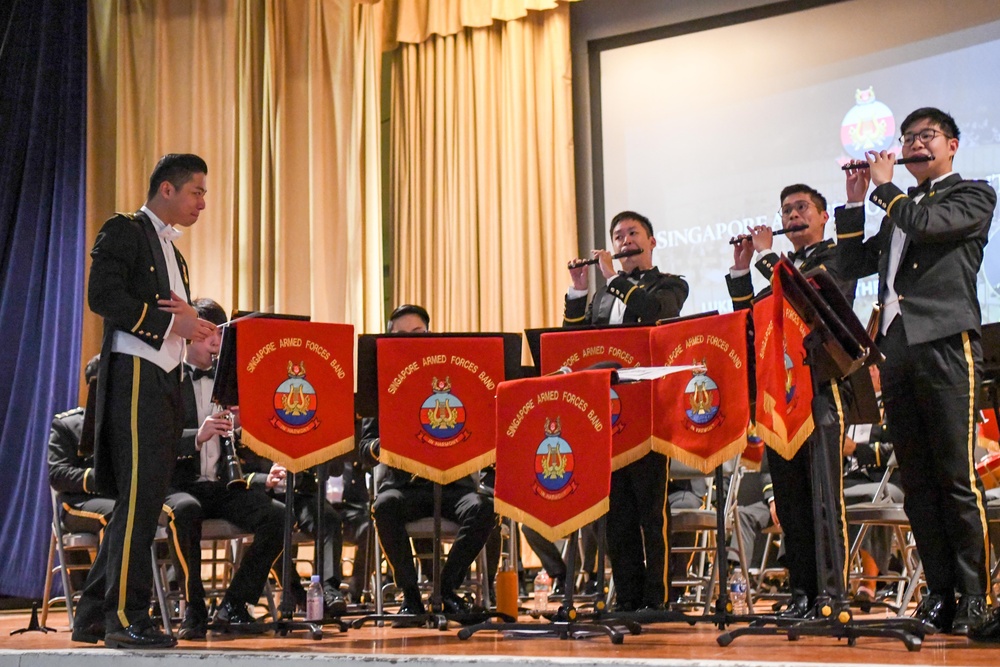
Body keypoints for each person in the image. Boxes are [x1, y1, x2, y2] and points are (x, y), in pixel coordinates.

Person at [836, 107, 994, 636]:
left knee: (955, 477)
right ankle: (940, 595)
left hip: (946, 344)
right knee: (918, 483)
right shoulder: (895, 212)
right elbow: (848, 265)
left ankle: (976, 596)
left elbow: (928, 224)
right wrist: (857, 202)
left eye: (926, 135)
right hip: (896, 350)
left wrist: (884, 191)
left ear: (951, 144)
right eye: (907, 137)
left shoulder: (972, 194)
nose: (914, 144)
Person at [72, 153, 216, 648]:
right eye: (196, 191)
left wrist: (191, 325)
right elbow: (102, 296)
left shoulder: (175, 254)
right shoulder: (125, 230)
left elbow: (173, 319)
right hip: (135, 376)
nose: (202, 202)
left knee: (144, 499)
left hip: (163, 380)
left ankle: (92, 614)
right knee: (139, 500)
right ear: (167, 190)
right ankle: (125, 617)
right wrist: (170, 324)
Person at [727, 184, 857, 617]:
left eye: (802, 208)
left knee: (823, 496)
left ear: (823, 217)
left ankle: (831, 593)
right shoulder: (780, 267)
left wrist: (766, 258)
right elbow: (754, 320)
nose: (792, 215)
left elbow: (808, 299)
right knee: (791, 497)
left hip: (820, 386)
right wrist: (744, 271)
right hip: (780, 393)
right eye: (786, 210)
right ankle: (801, 592)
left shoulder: (836, 257)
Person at [565, 211, 688, 611]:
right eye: (618, 236)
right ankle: (628, 598)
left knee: (652, 513)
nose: (625, 242)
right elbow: (575, 345)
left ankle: (659, 598)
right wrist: (580, 292)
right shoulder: (604, 296)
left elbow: (654, 314)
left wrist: (614, 280)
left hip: (651, 413)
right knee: (615, 516)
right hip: (610, 417)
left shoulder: (671, 284)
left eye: (633, 233)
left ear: (652, 242)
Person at [358, 305, 497, 618]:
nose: (409, 341)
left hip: (453, 484)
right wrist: (388, 444)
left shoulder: (458, 376)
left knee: (484, 507)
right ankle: (410, 596)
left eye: (417, 334)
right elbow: (365, 449)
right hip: (404, 487)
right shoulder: (384, 383)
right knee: (384, 506)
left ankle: (446, 589)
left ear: (431, 335)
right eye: (400, 335)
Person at [163, 298, 286, 639]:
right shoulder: (167, 376)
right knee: (186, 511)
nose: (215, 342)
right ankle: (194, 606)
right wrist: (197, 437)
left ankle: (234, 602)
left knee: (277, 517)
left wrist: (245, 423)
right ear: (188, 336)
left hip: (217, 484)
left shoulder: (230, 380)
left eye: (219, 334)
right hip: (176, 485)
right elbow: (154, 439)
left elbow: (245, 441)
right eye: (206, 334)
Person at [48, 355, 114, 590]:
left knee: (154, 512)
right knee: (117, 515)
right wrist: (100, 478)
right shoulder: (67, 424)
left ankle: (159, 599)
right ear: (92, 387)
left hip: (116, 498)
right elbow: (57, 474)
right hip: (77, 504)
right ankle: (105, 598)